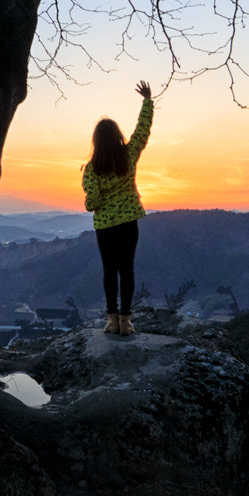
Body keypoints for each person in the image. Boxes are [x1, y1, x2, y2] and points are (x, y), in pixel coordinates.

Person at [83, 80, 154, 336]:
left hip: (105, 227)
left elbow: (92, 202)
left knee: (109, 271)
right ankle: (126, 321)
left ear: (97, 140)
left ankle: (111, 320)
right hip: (128, 223)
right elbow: (142, 131)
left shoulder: (92, 168)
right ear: (117, 136)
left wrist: (95, 200)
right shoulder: (128, 155)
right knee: (127, 269)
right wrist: (147, 101)